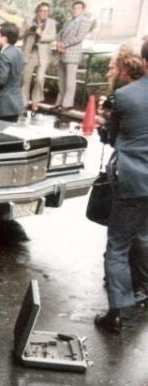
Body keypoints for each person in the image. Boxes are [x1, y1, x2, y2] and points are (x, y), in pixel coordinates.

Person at [93, 39, 148, 333]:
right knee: (145, 237)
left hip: (132, 179)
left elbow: (114, 139)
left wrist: (105, 125)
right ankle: (144, 290)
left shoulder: (125, 96)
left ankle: (115, 313)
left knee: (117, 247)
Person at [54, 1, 92, 112]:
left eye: (78, 8)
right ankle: (59, 102)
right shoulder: (68, 21)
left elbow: (79, 37)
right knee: (61, 81)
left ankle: (67, 104)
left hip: (72, 54)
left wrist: (63, 44)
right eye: (74, 8)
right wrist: (58, 43)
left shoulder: (84, 21)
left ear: (82, 10)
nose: (75, 10)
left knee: (70, 81)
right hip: (62, 53)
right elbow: (59, 34)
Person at [20, 2, 57, 113]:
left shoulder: (52, 23)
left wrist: (41, 35)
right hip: (30, 53)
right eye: (42, 10)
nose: (45, 13)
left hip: (43, 55)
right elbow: (20, 35)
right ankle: (23, 102)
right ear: (37, 11)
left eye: (47, 11)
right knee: (25, 79)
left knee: (40, 79)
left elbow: (52, 37)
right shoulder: (29, 21)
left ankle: (35, 101)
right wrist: (27, 30)